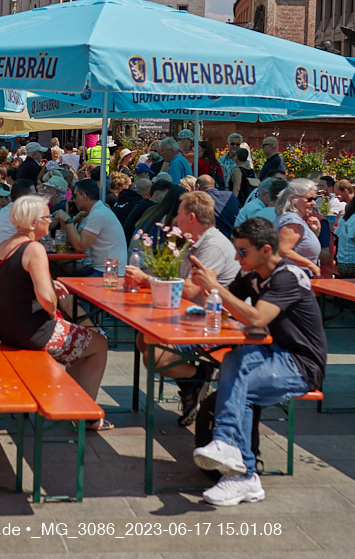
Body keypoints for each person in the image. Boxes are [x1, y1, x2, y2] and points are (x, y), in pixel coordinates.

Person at [190, 217, 328, 506]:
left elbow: (256, 317)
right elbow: (227, 302)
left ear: (266, 250)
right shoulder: (253, 274)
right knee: (234, 358)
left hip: (301, 364)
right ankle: (232, 455)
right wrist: (206, 288)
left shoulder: (288, 275)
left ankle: (243, 473)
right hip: (274, 353)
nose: (238, 257)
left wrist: (215, 288)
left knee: (240, 387)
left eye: (243, 252)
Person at [0, 195, 111, 431]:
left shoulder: (6, 245)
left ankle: (73, 400)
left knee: (81, 345)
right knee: (99, 344)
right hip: (32, 331)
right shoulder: (35, 248)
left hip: (7, 328)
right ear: (31, 223)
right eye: (45, 217)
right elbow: (47, 299)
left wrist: (48, 283)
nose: (50, 220)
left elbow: (18, 280)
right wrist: (52, 313)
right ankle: (87, 413)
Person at [130, 192, 242, 425]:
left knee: (155, 357)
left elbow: (189, 290)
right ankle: (192, 386)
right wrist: (147, 277)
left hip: (220, 324)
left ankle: (198, 377)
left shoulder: (213, 246)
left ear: (191, 217)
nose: (174, 219)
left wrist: (145, 279)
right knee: (143, 338)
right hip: (196, 316)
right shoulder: (192, 243)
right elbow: (174, 281)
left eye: (178, 215)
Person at [53, 179, 128, 277]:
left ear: (84, 196)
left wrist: (68, 220)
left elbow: (79, 247)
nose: (73, 200)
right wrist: (66, 217)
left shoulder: (98, 214)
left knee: (63, 280)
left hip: (110, 274)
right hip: (102, 269)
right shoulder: (95, 212)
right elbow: (71, 241)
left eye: (75, 196)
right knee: (60, 278)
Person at [273, 179, 322, 276]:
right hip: (292, 277)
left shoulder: (295, 218)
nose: (314, 203)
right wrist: (310, 265)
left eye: (315, 199)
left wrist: (314, 233)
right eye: (309, 199)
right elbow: (283, 251)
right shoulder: (292, 220)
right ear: (293, 198)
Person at [0, 178, 37, 243]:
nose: (37, 198)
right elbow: (35, 237)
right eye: (34, 195)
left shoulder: (8, 209)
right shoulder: (20, 212)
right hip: (5, 251)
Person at [197, 174, 239, 238]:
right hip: (234, 237)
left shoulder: (201, 200)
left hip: (215, 239)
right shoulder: (230, 195)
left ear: (198, 186)